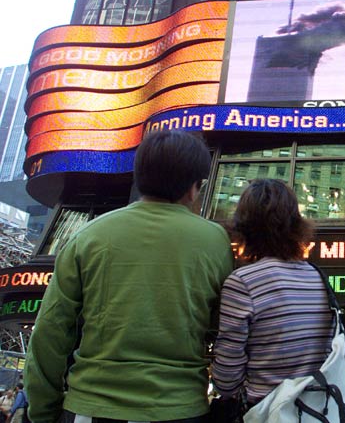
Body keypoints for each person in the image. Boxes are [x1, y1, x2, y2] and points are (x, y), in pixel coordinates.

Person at [23, 130, 235, 423]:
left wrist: (44, 412)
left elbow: (50, 332)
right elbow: (222, 327)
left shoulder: (89, 235)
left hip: (90, 406)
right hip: (180, 408)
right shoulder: (215, 241)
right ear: (193, 188)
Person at [212, 179, 334, 407]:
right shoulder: (318, 278)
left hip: (266, 411)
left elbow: (226, 381)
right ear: (296, 223)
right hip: (318, 411)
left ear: (244, 225)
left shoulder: (242, 283)